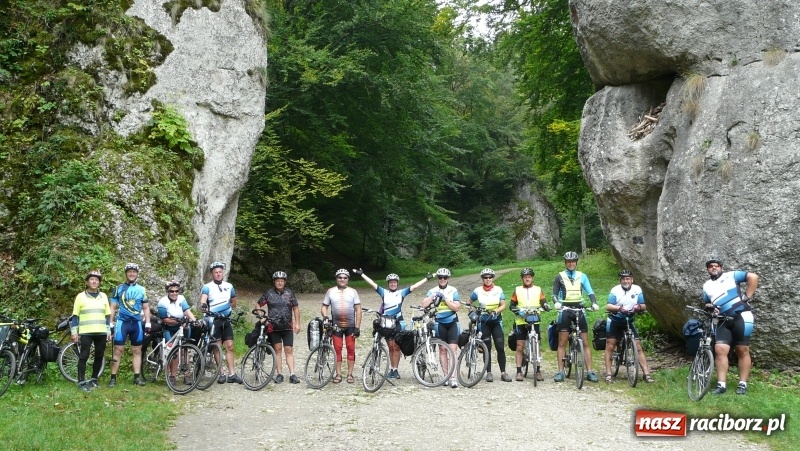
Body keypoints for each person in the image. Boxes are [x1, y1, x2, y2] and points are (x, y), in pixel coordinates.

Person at [354, 269, 432, 379]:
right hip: (386, 323)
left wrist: (426, 279)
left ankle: (395, 369)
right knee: (390, 347)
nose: (393, 284)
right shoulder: (384, 292)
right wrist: (362, 274)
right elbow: (372, 284)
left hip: (398, 322)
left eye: (395, 282)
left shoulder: (402, 293)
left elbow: (414, 287)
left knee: (396, 346)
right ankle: (392, 368)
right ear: (388, 284)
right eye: (391, 282)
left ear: (397, 283)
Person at [702, 258, 758, 395]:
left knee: (742, 350)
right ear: (707, 269)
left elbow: (753, 277)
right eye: (710, 266)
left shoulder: (731, 275)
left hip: (742, 316)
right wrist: (710, 308)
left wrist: (747, 296)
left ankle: (742, 384)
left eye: (716, 266)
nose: (714, 268)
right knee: (720, 349)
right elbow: (707, 303)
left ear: (721, 267)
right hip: (722, 319)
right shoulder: (706, 285)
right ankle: (721, 385)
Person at [551, 251, 600, 383]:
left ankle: (590, 371)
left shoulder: (582, 276)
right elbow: (554, 294)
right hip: (565, 310)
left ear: (576, 262)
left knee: (585, 342)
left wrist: (594, 303)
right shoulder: (559, 276)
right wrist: (556, 302)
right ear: (565, 263)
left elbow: (590, 292)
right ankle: (560, 371)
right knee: (562, 342)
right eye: (568, 261)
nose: (571, 263)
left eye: (573, 261)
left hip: (579, 309)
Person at [603, 270, 654, 384]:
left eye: (628, 279)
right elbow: (608, 306)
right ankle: (608, 374)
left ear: (632, 280)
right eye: (623, 279)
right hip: (615, 321)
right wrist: (619, 308)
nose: (626, 281)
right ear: (620, 280)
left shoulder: (637, 289)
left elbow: (644, 306)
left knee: (638, 346)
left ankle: (646, 374)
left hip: (629, 320)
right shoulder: (615, 290)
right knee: (610, 346)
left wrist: (638, 307)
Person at [109, 263, 151, 387]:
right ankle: (113, 378)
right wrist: (110, 323)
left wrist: (148, 322)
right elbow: (112, 307)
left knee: (137, 350)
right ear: (126, 273)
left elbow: (146, 307)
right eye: (129, 272)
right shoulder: (118, 288)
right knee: (117, 350)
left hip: (136, 323)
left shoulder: (142, 290)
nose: (132, 274)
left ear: (137, 274)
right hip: (122, 322)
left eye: (134, 272)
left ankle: (136, 378)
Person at [200, 261, 242, 384]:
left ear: (223, 273)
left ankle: (232, 374)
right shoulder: (207, 287)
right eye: (215, 272)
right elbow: (203, 299)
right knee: (217, 347)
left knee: (230, 346)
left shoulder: (229, 286)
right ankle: (221, 373)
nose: (218, 274)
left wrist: (227, 308)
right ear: (212, 274)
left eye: (220, 272)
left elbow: (234, 302)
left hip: (226, 320)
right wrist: (204, 306)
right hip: (214, 320)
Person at [256, 271, 301, 384]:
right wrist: (261, 315)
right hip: (273, 327)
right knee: (277, 350)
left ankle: (292, 374)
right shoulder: (269, 293)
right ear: (274, 282)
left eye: (282, 281)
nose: (280, 283)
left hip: (287, 327)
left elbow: (295, 308)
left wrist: (297, 324)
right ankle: (279, 373)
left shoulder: (289, 293)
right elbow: (258, 304)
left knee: (289, 350)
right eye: (277, 281)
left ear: (284, 282)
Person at [468, 268, 512, 383]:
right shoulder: (477, 290)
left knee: (500, 347)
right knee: (486, 348)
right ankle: (488, 372)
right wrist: (473, 311)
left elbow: (503, 305)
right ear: (482, 279)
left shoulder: (498, 289)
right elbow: (469, 302)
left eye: (490, 277)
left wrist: (496, 311)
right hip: (484, 323)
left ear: (493, 278)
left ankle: (503, 372)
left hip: (496, 321)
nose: (488, 279)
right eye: (485, 278)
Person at [70, 270, 111, 392]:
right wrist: (74, 332)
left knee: (99, 356)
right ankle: (81, 382)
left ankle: (94, 379)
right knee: (84, 356)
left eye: (97, 280)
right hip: (86, 332)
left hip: (101, 331)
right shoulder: (80, 296)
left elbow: (107, 315)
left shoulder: (103, 296)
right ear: (87, 282)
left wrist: (108, 331)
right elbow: (75, 316)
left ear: (99, 283)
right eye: (92, 279)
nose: (94, 281)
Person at [321, 269, 362, 384]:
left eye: (345, 278)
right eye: (340, 277)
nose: (342, 279)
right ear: (336, 279)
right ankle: (338, 374)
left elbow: (358, 310)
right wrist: (325, 316)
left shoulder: (353, 292)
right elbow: (324, 306)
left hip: (350, 325)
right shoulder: (330, 291)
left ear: (348, 279)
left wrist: (357, 327)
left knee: (350, 348)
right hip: (336, 325)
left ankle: (350, 374)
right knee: (337, 349)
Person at [422, 267, 461, 388]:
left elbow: (456, 307)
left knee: (453, 350)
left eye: (445, 278)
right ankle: (446, 376)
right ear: (438, 279)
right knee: (443, 350)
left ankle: (453, 377)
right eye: (440, 278)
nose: (443, 279)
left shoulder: (453, 290)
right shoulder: (432, 290)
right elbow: (424, 305)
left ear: (448, 279)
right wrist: (433, 296)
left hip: (452, 322)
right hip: (439, 323)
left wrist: (445, 299)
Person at [510, 268, 549, 382]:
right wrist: (518, 311)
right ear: (522, 278)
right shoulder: (517, 290)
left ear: (532, 278)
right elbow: (512, 305)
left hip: (534, 320)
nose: (527, 278)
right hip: (521, 321)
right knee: (520, 346)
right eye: (525, 277)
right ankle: (518, 371)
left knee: (537, 345)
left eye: (529, 277)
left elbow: (543, 301)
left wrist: (546, 305)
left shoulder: (538, 289)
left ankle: (537, 371)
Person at [157, 280, 198, 385]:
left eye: (176, 291)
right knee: (173, 352)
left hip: (182, 327)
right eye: (172, 291)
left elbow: (186, 311)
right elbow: (164, 319)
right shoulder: (162, 302)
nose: (175, 293)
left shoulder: (181, 298)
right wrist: (178, 321)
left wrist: (194, 320)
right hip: (169, 329)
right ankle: (172, 376)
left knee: (185, 349)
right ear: (167, 292)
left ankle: (187, 375)